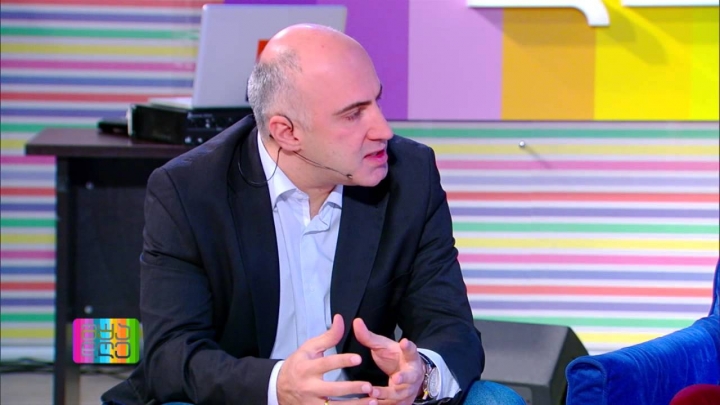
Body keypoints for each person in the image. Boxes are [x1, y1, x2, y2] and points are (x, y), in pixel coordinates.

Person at [102, 24, 524, 405]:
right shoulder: (190, 190)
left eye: (376, 102)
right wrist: (278, 385)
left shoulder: (410, 175)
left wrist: (421, 374)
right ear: (287, 132)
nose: (383, 129)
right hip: (246, 397)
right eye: (353, 114)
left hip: (365, 398)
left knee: (495, 401)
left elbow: (451, 327)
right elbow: (171, 354)